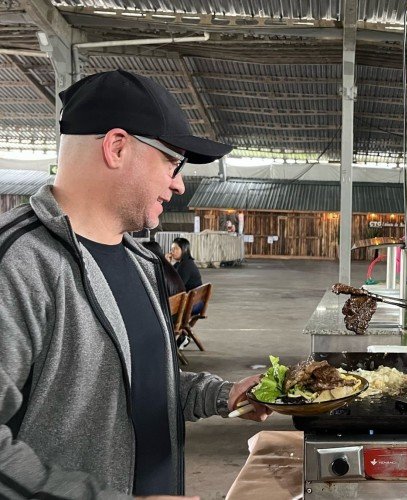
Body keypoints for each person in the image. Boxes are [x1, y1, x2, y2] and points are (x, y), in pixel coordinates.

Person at [0, 69, 270, 500]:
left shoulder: (143, 261)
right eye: (172, 161)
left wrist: (223, 395)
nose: (179, 183)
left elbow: (138, 381)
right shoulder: (18, 264)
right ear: (117, 147)